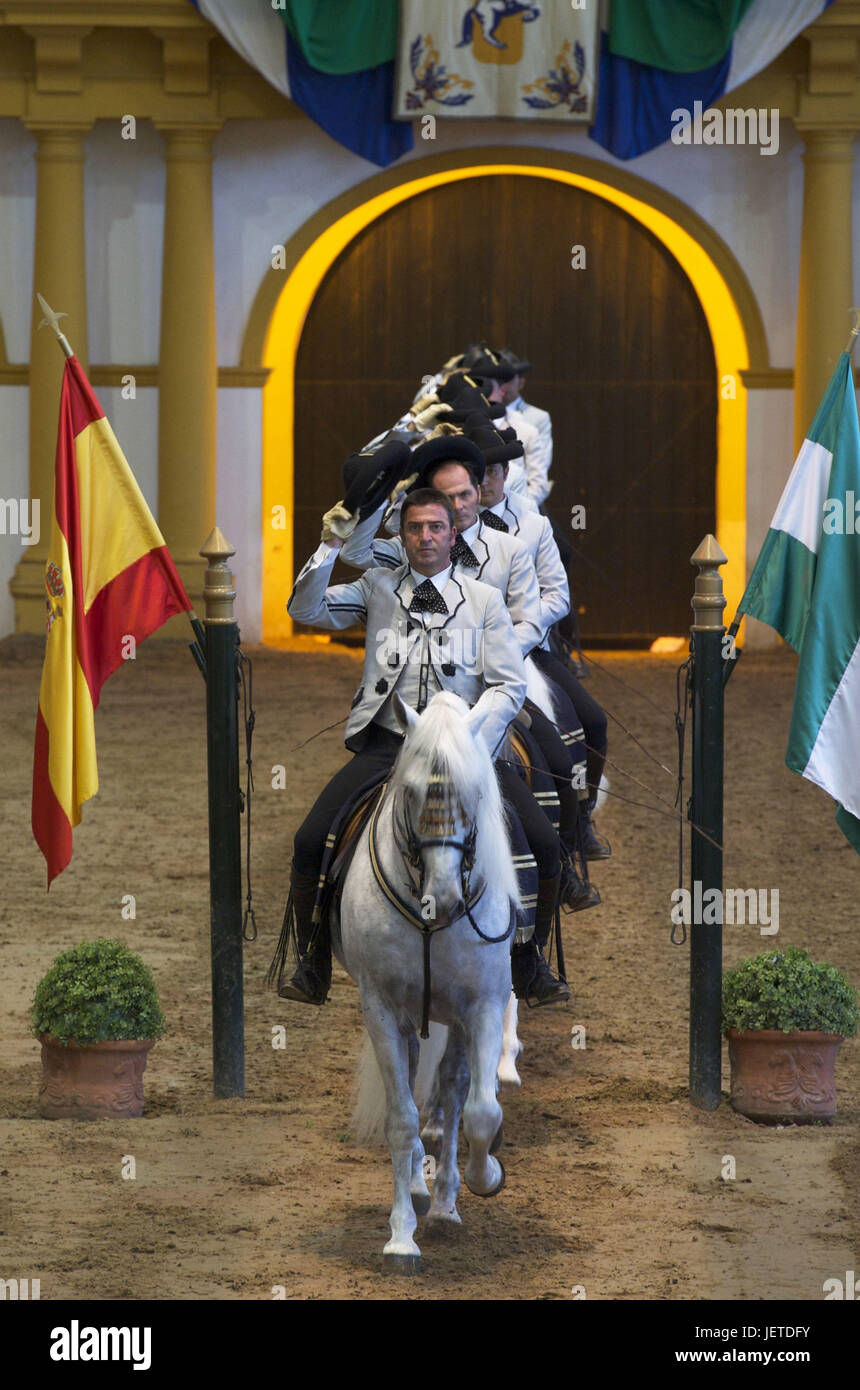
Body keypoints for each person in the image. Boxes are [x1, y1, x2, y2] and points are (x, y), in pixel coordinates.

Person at [281, 483, 529, 1006]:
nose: (425, 537)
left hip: (465, 752)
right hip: (388, 746)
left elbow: (510, 684)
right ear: (402, 533)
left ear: (453, 532)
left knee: (537, 845)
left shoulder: (483, 600)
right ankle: (312, 962)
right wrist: (327, 546)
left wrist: (472, 741)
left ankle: (529, 962)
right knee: (309, 840)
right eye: (414, 527)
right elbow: (305, 610)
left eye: (436, 527)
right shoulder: (376, 585)